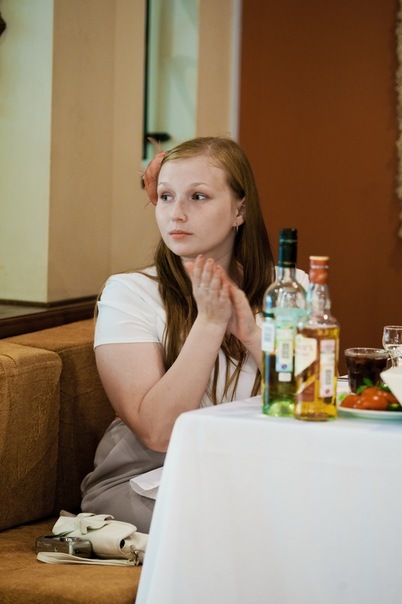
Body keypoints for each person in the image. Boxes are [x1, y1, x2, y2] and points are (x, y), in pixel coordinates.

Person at [81, 136, 307, 533]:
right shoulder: (129, 293)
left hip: (254, 473)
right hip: (146, 481)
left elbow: (312, 407)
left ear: (240, 210)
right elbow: (158, 432)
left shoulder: (289, 289)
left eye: (198, 197)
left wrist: (253, 336)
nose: (177, 214)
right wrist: (210, 323)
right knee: (258, 527)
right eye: (166, 197)